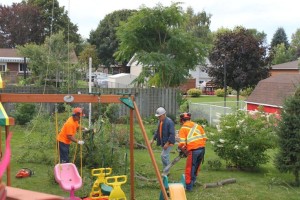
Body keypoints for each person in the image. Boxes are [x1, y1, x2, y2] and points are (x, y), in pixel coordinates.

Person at [177, 112, 207, 191]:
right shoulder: (198, 126)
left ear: (182, 120)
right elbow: (204, 138)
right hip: (202, 149)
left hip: (193, 151)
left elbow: (181, 144)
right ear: (190, 119)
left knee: (189, 169)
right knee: (196, 167)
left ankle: (189, 187)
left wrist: (185, 151)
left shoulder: (183, 128)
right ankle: (193, 182)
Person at [150, 107, 175, 175]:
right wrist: (153, 139)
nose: (159, 118)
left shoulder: (169, 122)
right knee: (165, 156)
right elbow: (157, 131)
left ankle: (166, 170)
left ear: (164, 114)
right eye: (158, 117)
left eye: (160, 116)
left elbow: (172, 134)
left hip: (169, 142)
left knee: (163, 155)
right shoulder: (160, 121)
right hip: (163, 142)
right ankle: (166, 170)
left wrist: (167, 143)